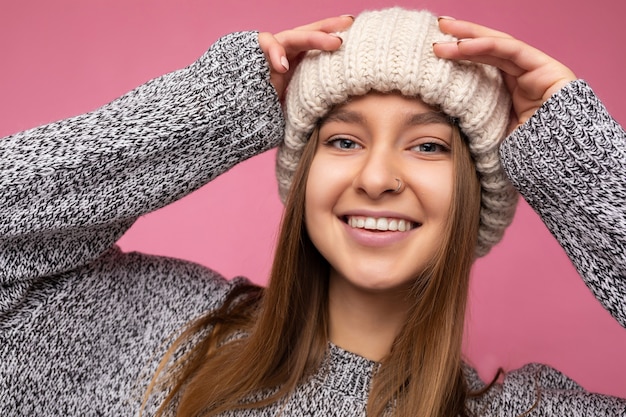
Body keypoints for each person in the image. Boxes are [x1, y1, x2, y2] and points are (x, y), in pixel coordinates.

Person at [0, 6, 623, 417]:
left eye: (429, 146)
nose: (377, 178)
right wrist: (210, 111)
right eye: (344, 141)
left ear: (475, 194)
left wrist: (584, 160)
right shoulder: (150, 327)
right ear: (303, 175)